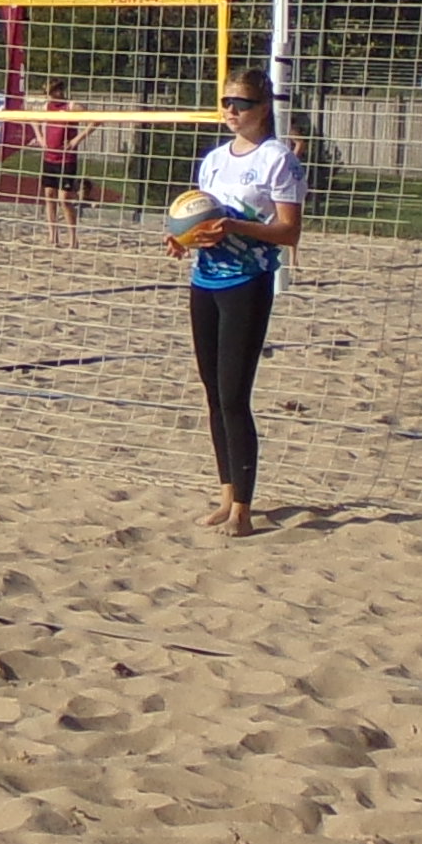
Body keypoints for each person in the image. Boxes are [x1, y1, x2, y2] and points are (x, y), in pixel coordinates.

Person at [168, 67, 306, 536]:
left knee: (233, 396)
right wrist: (184, 239)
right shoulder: (213, 160)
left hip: (247, 282)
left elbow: (289, 231)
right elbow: (199, 219)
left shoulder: (277, 160)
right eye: (225, 102)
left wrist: (234, 226)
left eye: (241, 103)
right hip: (205, 279)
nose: (231, 110)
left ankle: (243, 509)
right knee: (212, 392)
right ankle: (226, 495)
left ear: (263, 108)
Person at [34, 80, 86, 244]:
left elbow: (96, 120)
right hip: (49, 157)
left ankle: (73, 238)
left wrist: (76, 140)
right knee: (49, 196)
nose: (49, 96)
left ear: (59, 91)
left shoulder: (71, 107)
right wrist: (40, 137)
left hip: (66, 159)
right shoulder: (46, 107)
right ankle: (53, 236)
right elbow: (33, 119)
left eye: (51, 92)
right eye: (47, 93)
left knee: (64, 199)